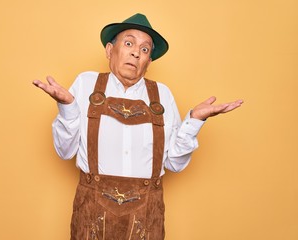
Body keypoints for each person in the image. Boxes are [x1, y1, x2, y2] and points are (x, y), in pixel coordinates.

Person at [33, 13, 243, 240]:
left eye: (145, 49)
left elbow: (174, 163)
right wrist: (67, 107)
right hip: (90, 214)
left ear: (149, 62)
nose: (136, 52)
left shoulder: (161, 95)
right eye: (129, 43)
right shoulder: (86, 83)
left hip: (146, 217)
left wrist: (194, 120)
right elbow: (65, 151)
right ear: (109, 50)